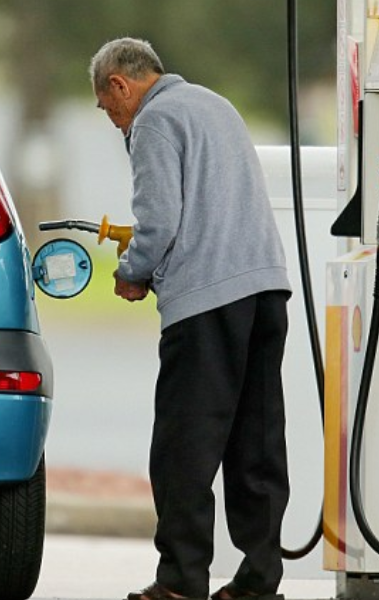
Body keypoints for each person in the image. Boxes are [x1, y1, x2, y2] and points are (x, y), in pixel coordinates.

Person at [89, 38, 292, 600]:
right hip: (265, 291)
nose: (113, 121)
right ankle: (257, 582)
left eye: (108, 109)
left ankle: (180, 582)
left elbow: (159, 219)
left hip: (206, 301)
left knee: (184, 445)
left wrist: (132, 271)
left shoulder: (154, 121)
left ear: (120, 85)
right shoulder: (213, 104)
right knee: (257, 445)